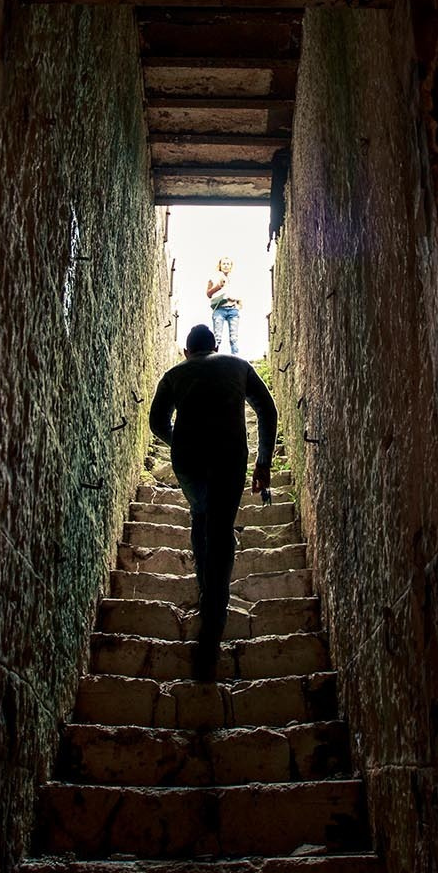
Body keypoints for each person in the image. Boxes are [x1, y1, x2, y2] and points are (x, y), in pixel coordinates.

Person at [147, 323, 277, 681]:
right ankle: (214, 619)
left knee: (201, 515)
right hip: (229, 456)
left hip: (188, 460)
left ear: (188, 352)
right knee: (220, 531)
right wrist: (263, 461)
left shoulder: (175, 373)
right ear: (215, 346)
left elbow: (156, 421)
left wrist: (176, 438)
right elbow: (267, 409)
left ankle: (207, 591)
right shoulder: (237, 366)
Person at [205, 256, 241, 355]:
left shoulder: (235, 279)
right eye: (224, 263)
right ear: (220, 265)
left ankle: (236, 359)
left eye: (228, 264)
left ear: (231, 266)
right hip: (219, 309)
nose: (226, 265)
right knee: (217, 337)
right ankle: (214, 358)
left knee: (234, 338)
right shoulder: (214, 277)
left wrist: (238, 302)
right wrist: (218, 286)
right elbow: (208, 294)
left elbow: (240, 294)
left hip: (233, 309)